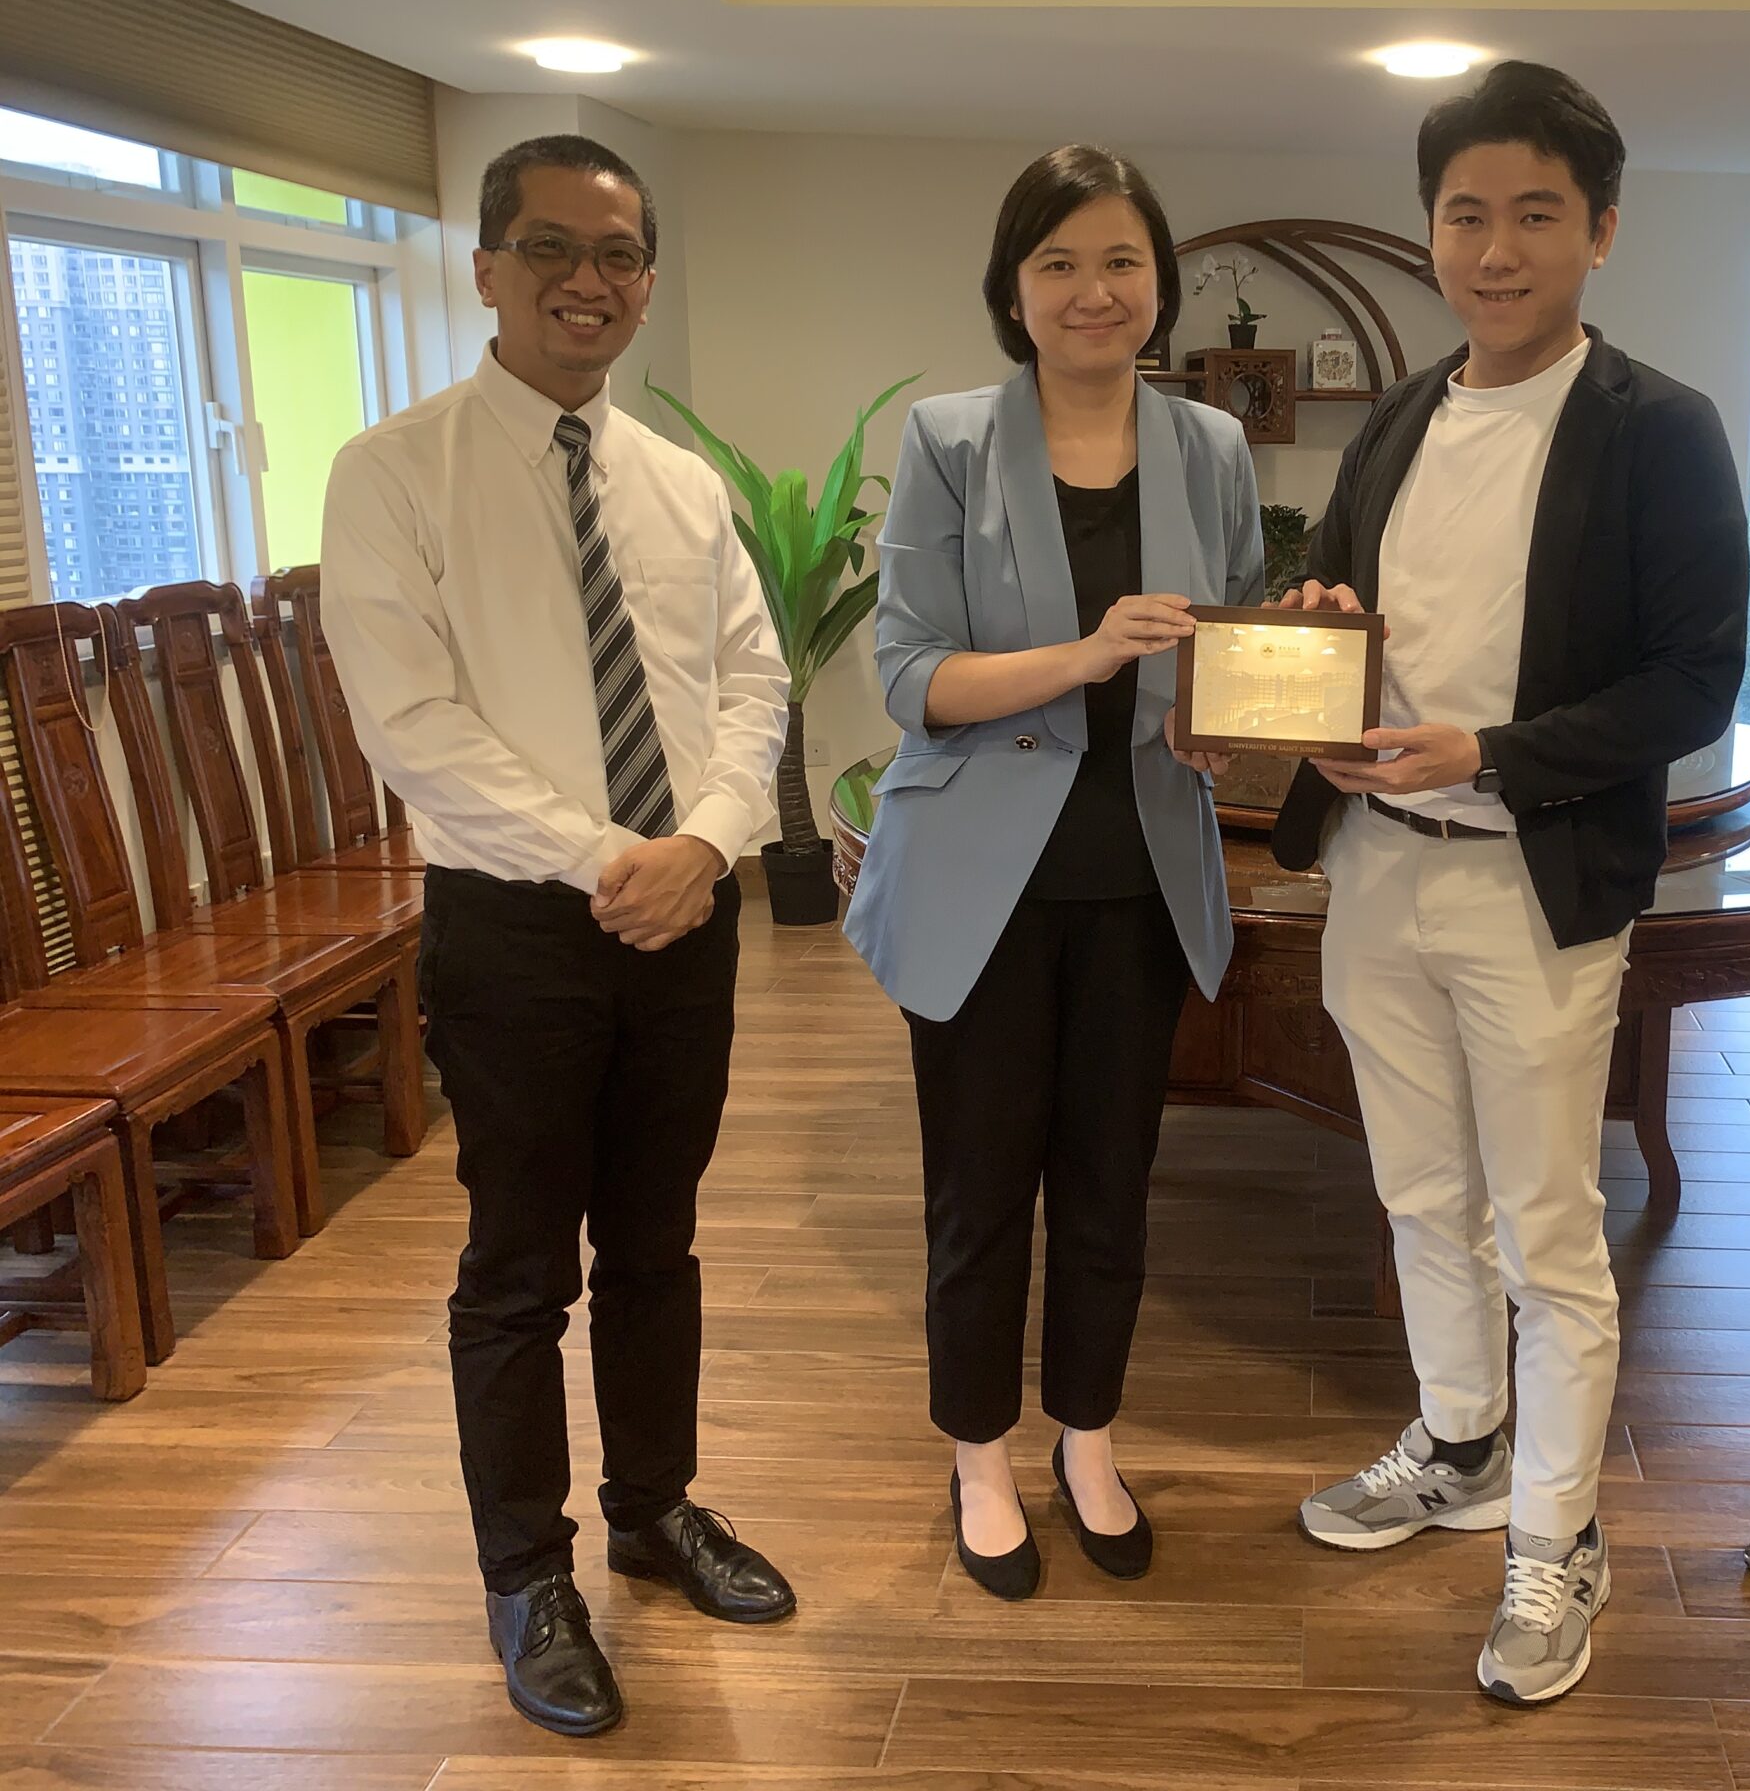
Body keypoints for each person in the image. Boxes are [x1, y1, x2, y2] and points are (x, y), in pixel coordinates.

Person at [1272, 62, 1749, 1705]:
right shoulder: (1405, 412)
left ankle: (1561, 1533)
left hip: (1529, 877)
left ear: (1600, 232)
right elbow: (1330, 589)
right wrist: (1310, 647)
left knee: (1550, 1229)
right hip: (1374, 867)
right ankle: (1463, 1442)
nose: (1495, 248)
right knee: (1419, 1195)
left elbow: (1696, 678)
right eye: (1465, 214)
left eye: (1535, 214)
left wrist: (1489, 750)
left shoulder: (1658, 428)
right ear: (1430, 231)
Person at [323, 136, 792, 1739]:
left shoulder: (682, 484)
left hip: (686, 916)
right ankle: (528, 1574)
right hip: (517, 927)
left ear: (646, 281)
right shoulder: (395, 473)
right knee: (519, 1268)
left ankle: (655, 1510)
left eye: (618, 255)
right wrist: (614, 858)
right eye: (550, 249)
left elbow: (753, 683)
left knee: (657, 1242)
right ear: (485, 270)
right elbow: (413, 725)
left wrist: (706, 842)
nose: (587, 281)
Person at [846, 145, 1263, 1602]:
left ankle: (1089, 1440)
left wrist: (1226, 717)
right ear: (1014, 288)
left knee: (1110, 1187)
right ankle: (979, 1454)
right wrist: (1087, 655)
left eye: (1122, 261)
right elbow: (910, 677)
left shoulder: (1211, 446)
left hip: (1141, 877)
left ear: (1161, 281)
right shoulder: (950, 437)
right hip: (979, 885)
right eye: (1060, 264)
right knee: (978, 1192)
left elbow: (1228, 650)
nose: (1095, 291)